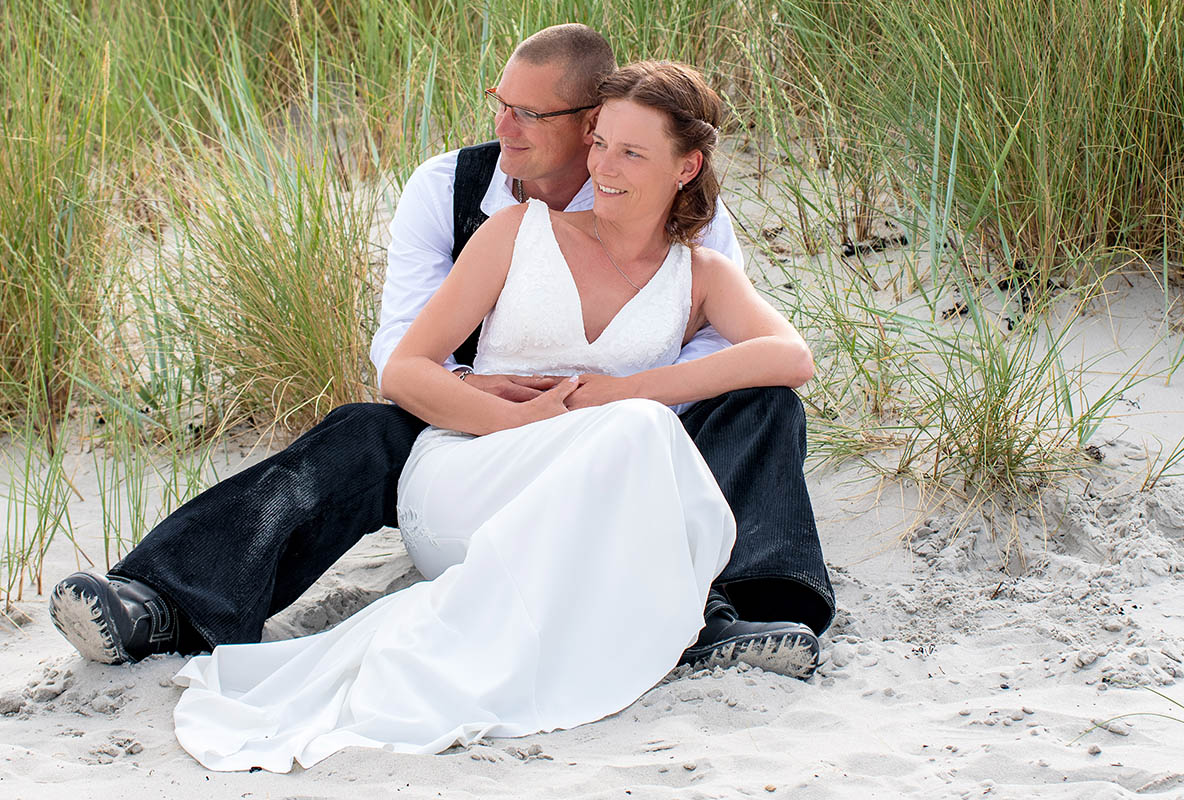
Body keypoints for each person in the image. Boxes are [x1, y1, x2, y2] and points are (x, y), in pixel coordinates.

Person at [48, 24, 833, 680]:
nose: (505, 128)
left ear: (589, 119)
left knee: (761, 408)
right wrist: (497, 401)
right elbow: (401, 344)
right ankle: (163, 602)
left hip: (628, 441)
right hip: (470, 425)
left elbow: (726, 347)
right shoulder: (454, 190)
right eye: (502, 106)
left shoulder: (678, 215)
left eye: (530, 113)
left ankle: (756, 610)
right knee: (358, 434)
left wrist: (607, 402)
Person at [172, 57, 812, 772]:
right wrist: (516, 417)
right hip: (474, 473)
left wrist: (624, 392)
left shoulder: (703, 272)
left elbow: (790, 358)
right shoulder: (515, 230)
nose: (605, 166)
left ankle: (742, 603)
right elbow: (404, 364)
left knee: (681, 423)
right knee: (637, 433)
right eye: (602, 144)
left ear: (686, 168)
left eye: (631, 152)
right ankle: (166, 599)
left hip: (597, 491)